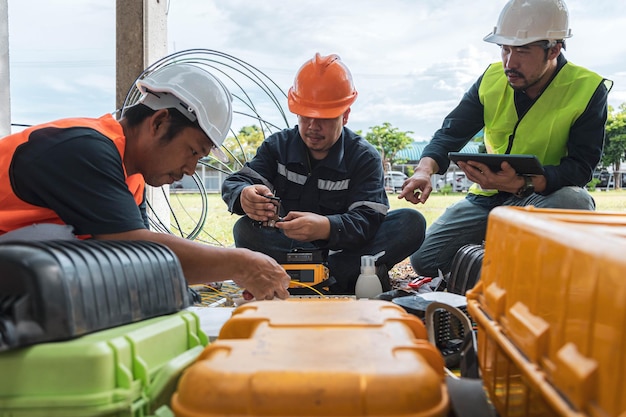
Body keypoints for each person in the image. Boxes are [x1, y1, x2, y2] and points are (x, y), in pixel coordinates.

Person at [0, 62, 290, 301]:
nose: (191, 169)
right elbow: (133, 250)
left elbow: (146, 266)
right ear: (159, 122)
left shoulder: (131, 179)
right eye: (192, 151)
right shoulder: (86, 148)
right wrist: (240, 264)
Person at [399, 0, 613, 278]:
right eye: (505, 49)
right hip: (487, 198)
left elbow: (581, 168)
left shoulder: (587, 89)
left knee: (576, 201)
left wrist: (523, 183)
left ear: (555, 49)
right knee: (425, 261)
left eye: (522, 51)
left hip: (541, 198)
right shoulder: (491, 79)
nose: (510, 63)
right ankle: (510, 268)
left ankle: (520, 273)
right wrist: (424, 171)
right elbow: (450, 133)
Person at [222, 53, 426, 294]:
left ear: (345, 115)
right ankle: (346, 277)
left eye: (324, 118)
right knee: (244, 230)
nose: (312, 127)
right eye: (305, 116)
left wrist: (327, 227)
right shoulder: (277, 147)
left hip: (346, 248)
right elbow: (237, 182)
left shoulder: (363, 156)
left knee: (410, 223)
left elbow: (369, 219)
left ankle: (302, 278)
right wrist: (244, 195)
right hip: (290, 244)